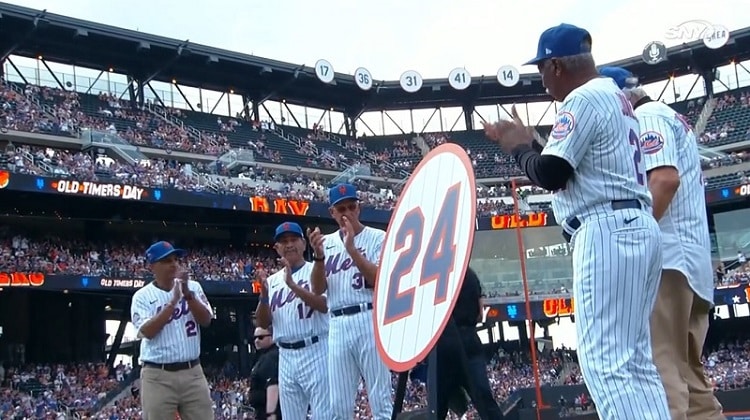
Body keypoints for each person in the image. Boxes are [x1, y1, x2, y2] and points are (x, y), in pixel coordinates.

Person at [482, 23, 670, 419]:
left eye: (542, 69)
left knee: (606, 363)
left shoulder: (582, 97)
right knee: (635, 362)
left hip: (605, 230)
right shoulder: (614, 97)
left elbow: (551, 173)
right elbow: (574, 167)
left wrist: (517, 148)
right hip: (634, 224)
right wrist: (533, 143)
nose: (542, 79)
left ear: (556, 65)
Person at [601, 66, 725, 420]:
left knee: (662, 371)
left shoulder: (648, 115)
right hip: (689, 264)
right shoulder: (668, 116)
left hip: (669, 260)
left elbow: (664, 180)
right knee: (692, 381)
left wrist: (632, 244)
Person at [308, 183, 393, 419]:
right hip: (337, 323)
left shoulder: (378, 237)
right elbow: (316, 288)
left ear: (359, 208)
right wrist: (318, 257)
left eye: (351, 206)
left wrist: (353, 250)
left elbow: (378, 279)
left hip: (369, 317)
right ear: (332, 213)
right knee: (339, 406)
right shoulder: (324, 243)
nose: (347, 212)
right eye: (341, 208)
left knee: (381, 400)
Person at [130, 241, 214, 420]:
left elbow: (206, 320)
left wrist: (188, 295)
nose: (174, 264)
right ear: (153, 266)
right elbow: (147, 332)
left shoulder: (194, 287)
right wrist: (173, 302)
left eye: (176, 259)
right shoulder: (142, 296)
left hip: (193, 372)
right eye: (167, 260)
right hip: (158, 375)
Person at [254, 221, 330, 419]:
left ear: (304, 244)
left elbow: (324, 305)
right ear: (277, 248)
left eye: (293, 239)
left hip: (316, 349)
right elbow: (261, 323)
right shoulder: (271, 281)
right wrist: (263, 295)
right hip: (286, 355)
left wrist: (293, 286)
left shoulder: (317, 269)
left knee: (325, 415)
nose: (289, 244)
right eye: (283, 241)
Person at [435, 267, 503, 419]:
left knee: (437, 408)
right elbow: (480, 313)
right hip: (468, 339)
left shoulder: (435, 273)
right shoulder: (470, 274)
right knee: (485, 401)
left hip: (444, 343)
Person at [249, 326, 282, 420]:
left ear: (272, 336)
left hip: (270, 412)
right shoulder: (263, 356)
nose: (256, 341)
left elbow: (273, 385)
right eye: (254, 338)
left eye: (261, 337)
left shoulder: (271, 356)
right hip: (262, 410)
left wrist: (271, 414)